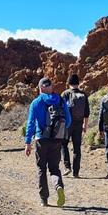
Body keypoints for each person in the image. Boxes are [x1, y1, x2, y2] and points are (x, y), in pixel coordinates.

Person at [24, 77, 72, 207]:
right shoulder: (61, 100)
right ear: (51, 87)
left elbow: (31, 123)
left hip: (41, 139)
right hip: (56, 140)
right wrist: (58, 131)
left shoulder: (36, 102)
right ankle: (58, 186)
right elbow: (68, 121)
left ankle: (44, 199)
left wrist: (27, 142)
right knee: (54, 168)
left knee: (41, 169)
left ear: (40, 88)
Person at [60, 74, 90, 178]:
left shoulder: (65, 94)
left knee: (64, 144)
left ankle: (67, 167)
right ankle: (76, 172)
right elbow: (87, 112)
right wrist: (85, 125)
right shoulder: (83, 94)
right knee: (77, 148)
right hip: (78, 124)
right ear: (78, 83)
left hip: (67, 124)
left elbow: (60, 110)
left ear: (69, 83)